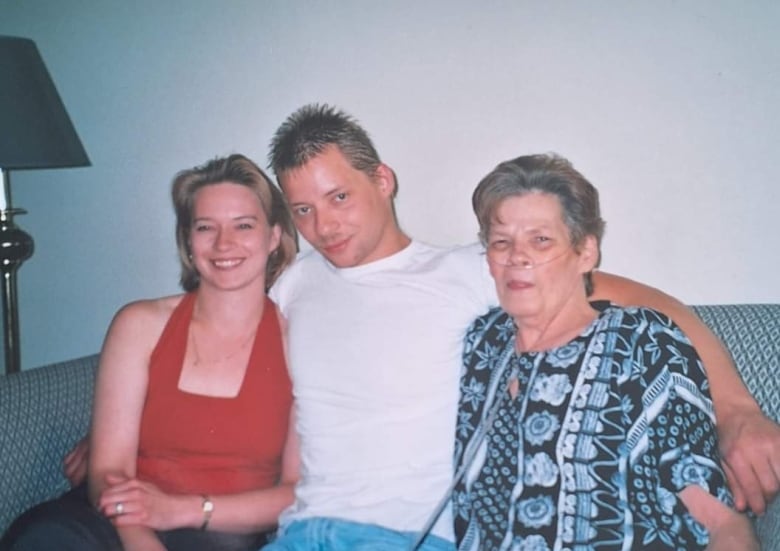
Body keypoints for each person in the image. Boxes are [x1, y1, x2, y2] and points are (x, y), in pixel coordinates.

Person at [55, 104, 780, 549]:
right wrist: (127, 431)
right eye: (303, 210)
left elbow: (652, 306)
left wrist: (736, 407)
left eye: (339, 196)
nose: (323, 225)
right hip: (302, 535)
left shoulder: (477, 270)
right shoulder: (296, 281)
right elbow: (220, 326)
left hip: (411, 536)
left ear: (384, 180)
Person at [452, 153, 757, 550]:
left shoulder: (639, 340)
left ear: (586, 253)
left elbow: (717, 520)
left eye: (540, 240)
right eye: (501, 242)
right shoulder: (480, 342)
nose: (517, 257)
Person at [0, 154, 299, 551]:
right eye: (205, 227)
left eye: (244, 225)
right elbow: (109, 469)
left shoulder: (300, 341)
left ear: (274, 237)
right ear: (188, 242)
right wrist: (140, 538)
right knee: (41, 536)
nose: (224, 243)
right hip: (117, 517)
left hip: (220, 527)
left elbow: (296, 492)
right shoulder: (139, 324)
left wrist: (184, 511)